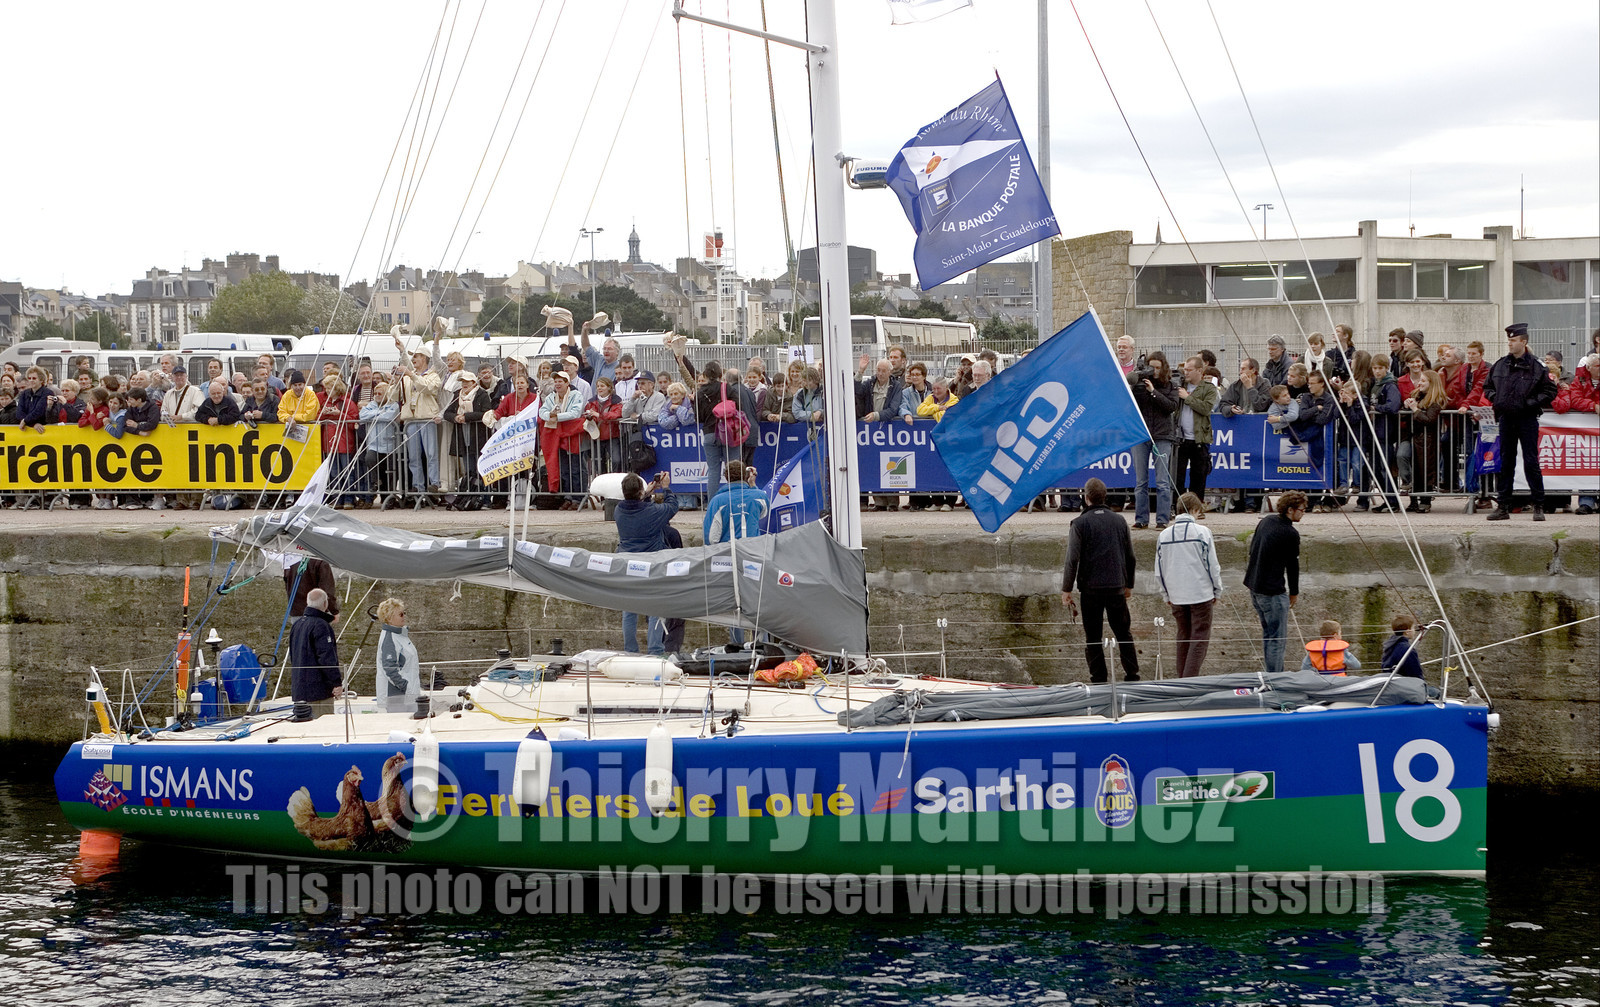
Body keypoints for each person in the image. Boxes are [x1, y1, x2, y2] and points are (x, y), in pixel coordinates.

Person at [1060, 477, 1140, 684]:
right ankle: (1132, 676)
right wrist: (1129, 584)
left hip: (1091, 589)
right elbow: (1130, 557)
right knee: (1123, 633)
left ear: (1086, 498)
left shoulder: (1079, 523)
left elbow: (1072, 559)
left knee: (1093, 637)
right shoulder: (1120, 521)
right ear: (1105, 497)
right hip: (1116, 587)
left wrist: (1066, 589)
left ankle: (1099, 679)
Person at [1485, 322, 1558, 521]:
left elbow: (1550, 391)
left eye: (1514, 340)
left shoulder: (1537, 366)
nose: (1510, 343)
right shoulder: (1501, 364)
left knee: (1531, 461)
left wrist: (1529, 403)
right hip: (1506, 418)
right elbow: (1488, 387)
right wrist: (1497, 399)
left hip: (1527, 418)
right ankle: (1503, 506)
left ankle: (1538, 505)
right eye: (1509, 340)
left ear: (1524, 342)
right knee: (1506, 462)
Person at [1154, 491, 1223, 678]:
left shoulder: (1163, 536)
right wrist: (1217, 590)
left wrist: (1165, 594)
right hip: (1201, 594)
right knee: (1199, 639)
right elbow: (1212, 565)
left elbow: (1159, 569)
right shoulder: (1203, 532)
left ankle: (1181, 681)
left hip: (1176, 595)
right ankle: (1189, 681)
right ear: (1193, 510)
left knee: (1183, 637)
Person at [703, 460, 768, 644]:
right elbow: (764, 512)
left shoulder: (717, 501)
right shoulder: (758, 496)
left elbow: (711, 538)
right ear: (746, 475)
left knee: (735, 604)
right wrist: (753, 485)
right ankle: (761, 645)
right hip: (754, 556)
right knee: (757, 602)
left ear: (725, 477)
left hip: (729, 559)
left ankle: (736, 646)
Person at [1243, 490, 1307, 675]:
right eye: (1302, 510)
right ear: (1290, 510)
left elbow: (1252, 548)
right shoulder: (1290, 533)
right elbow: (1292, 566)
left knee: (1268, 636)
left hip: (1254, 587)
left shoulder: (1266, 521)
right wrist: (1294, 592)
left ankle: (1271, 676)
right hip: (1272, 593)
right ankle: (1276, 679)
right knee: (1277, 641)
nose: (1303, 513)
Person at [615, 471, 678, 655]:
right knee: (655, 607)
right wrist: (666, 488)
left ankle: (630, 651)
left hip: (627, 563)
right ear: (640, 491)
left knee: (629, 610)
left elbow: (635, 507)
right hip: (651, 564)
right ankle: (655, 650)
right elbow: (672, 507)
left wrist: (646, 494)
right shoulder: (652, 512)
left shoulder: (618, 511)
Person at [1128, 350, 1179, 529]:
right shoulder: (1139, 384)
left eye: (1158, 368)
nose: (1154, 371)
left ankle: (1162, 519)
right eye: (1152, 367)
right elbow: (1130, 404)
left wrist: (1153, 391)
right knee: (1140, 481)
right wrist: (1135, 383)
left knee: (1162, 480)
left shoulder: (1171, 385)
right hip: (1141, 436)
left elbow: (1171, 406)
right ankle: (1141, 519)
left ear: (1163, 368)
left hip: (1162, 436)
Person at [695, 360, 759, 498]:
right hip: (729, 433)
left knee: (713, 472)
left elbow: (698, 417)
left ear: (705, 375)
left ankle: (712, 503)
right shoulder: (726, 388)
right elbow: (739, 406)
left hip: (709, 434)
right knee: (734, 470)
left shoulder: (700, 393)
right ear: (720, 374)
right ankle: (736, 499)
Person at [289, 587, 343, 717]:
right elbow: (326, 657)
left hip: (300, 690)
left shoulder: (297, 625)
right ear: (325, 604)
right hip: (319, 691)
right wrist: (336, 683)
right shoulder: (321, 625)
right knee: (323, 725)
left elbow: (293, 656)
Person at [1173, 356, 1218, 502]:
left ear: (1199, 370)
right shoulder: (1179, 385)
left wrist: (1187, 398)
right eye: (1184, 369)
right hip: (1180, 438)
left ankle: (1196, 507)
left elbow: (1206, 408)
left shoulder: (1208, 388)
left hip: (1200, 439)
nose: (1185, 373)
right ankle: (1178, 506)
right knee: (1177, 476)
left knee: (1198, 476)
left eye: (1189, 370)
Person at [375, 597, 421, 713]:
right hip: (396, 697)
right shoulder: (390, 638)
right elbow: (390, 669)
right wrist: (406, 687)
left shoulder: (400, 635)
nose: (404, 616)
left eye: (404, 613)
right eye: (401, 614)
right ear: (390, 618)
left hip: (408, 695)